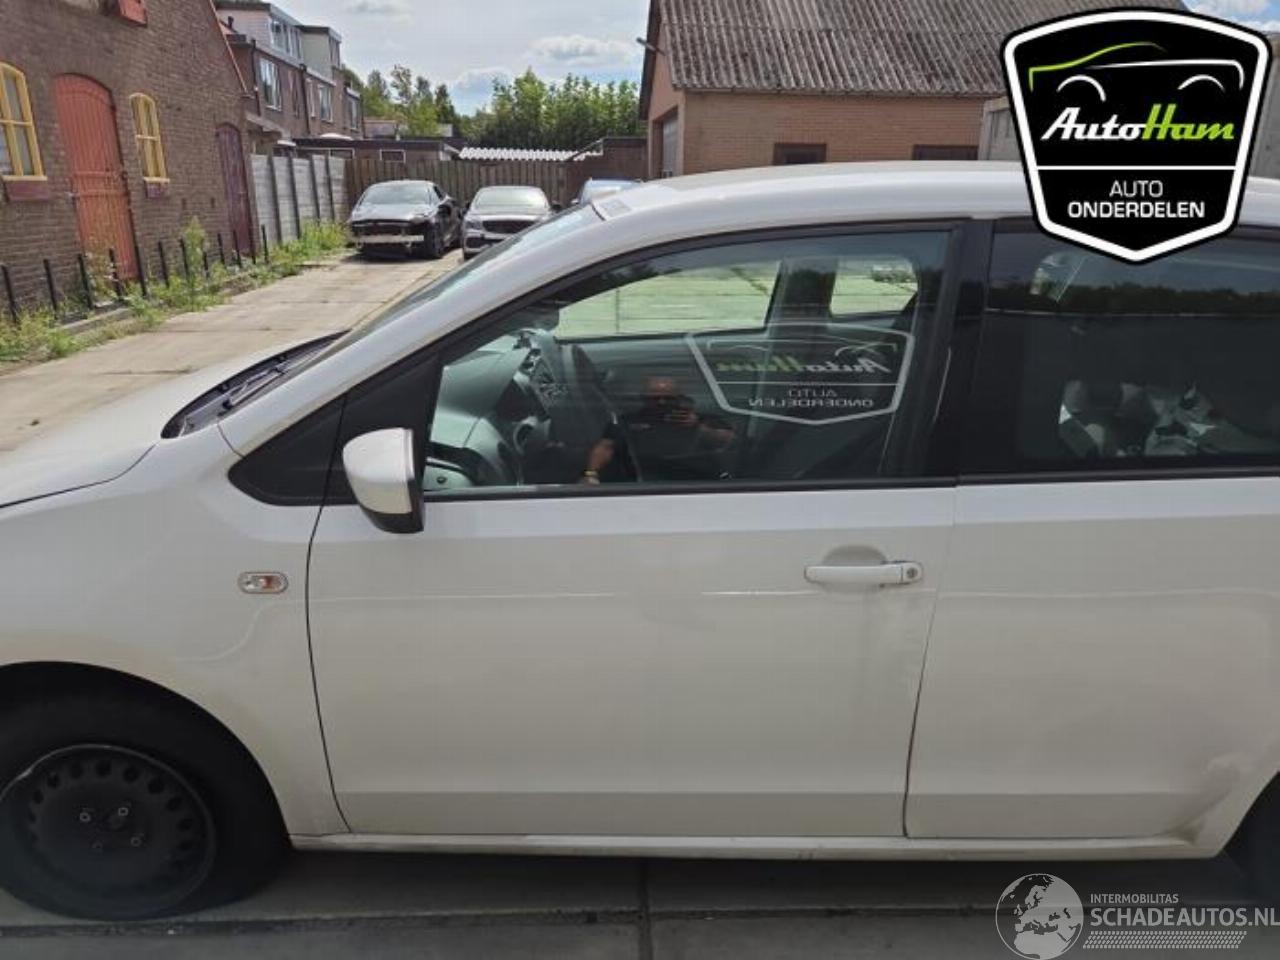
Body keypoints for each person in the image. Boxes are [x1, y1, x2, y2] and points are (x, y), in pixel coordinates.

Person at [581, 375, 736, 484]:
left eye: (668, 398)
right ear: (643, 399)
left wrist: (698, 428)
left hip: (699, 484)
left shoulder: (703, 420)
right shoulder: (627, 422)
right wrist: (591, 474)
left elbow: (729, 442)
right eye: (655, 398)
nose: (662, 402)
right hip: (641, 485)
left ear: (680, 398)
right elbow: (605, 447)